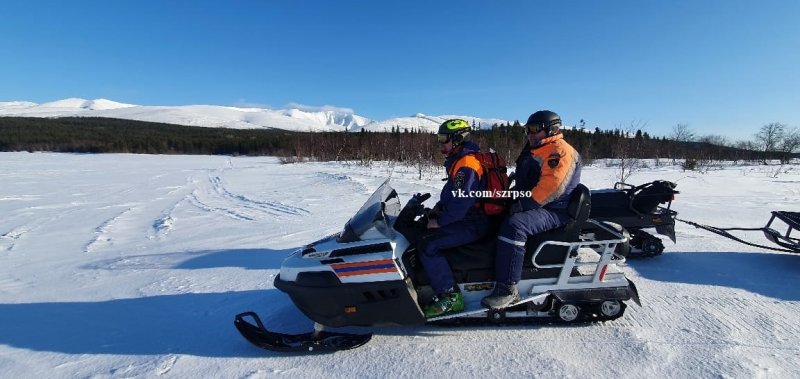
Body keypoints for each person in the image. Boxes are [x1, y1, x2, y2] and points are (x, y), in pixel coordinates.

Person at [481, 110, 582, 309]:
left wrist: (522, 205)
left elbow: (552, 188)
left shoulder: (559, 151)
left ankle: (508, 289)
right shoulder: (538, 148)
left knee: (515, 226)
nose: (529, 134)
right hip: (535, 203)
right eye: (527, 130)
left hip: (554, 210)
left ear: (551, 129)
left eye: (534, 130)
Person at [419, 119, 490, 318]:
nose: (441, 144)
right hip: (469, 218)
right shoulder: (459, 161)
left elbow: (461, 203)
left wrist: (439, 222)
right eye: (439, 139)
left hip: (473, 222)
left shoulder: (467, 164)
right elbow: (452, 196)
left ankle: (450, 297)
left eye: (444, 139)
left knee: (428, 244)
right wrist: (437, 209)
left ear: (458, 140)